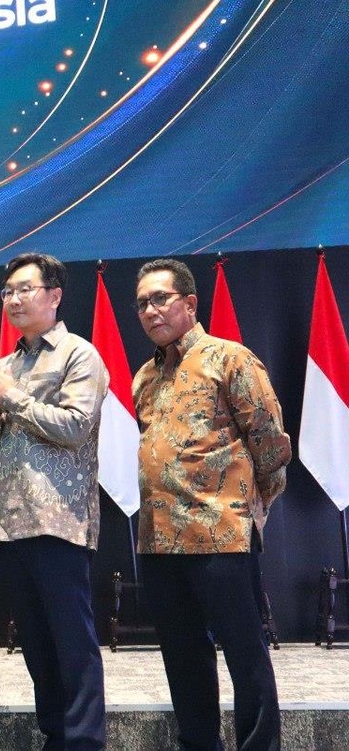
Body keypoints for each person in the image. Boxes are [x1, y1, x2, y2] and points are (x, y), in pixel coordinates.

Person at [132, 258, 290, 751]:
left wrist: (250, 508)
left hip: (221, 535)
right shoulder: (144, 378)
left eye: (160, 298)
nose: (150, 310)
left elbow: (270, 443)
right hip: (159, 541)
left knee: (246, 655)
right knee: (183, 660)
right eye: (142, 303)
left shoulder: (230, 358)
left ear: (190, 303)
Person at [0, 253, 108, 750]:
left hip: (59, 523)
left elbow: (75, 427)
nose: (13, 299)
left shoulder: (78, 355)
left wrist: (12, 398)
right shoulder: (4, 366)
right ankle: (55, 737)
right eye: (7, 291)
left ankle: (84, 742)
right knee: (37, 648)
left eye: (24, 289)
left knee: (72, 645)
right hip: (11, 525)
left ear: (54, 295)